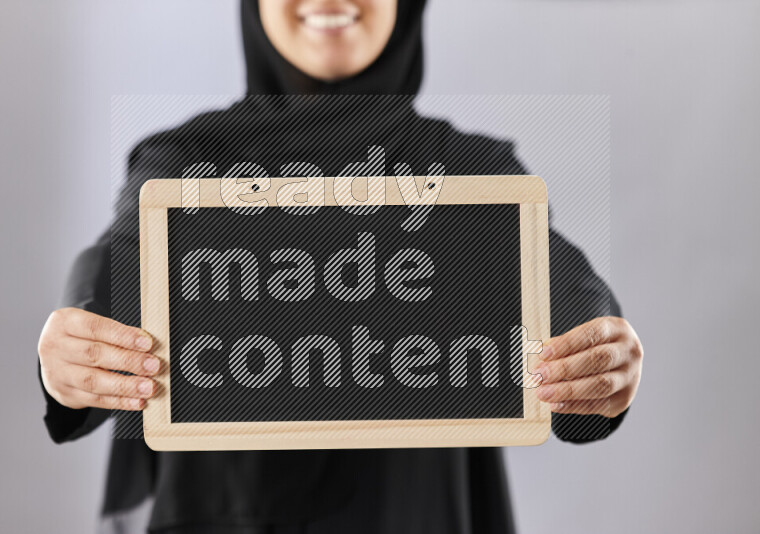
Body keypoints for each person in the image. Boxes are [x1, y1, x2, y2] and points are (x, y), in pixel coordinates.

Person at [37, 1, 644, 532]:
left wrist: (595, 347)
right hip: (220, 514)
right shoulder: (184, 161)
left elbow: (552, 275)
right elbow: (118, 266)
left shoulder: (469, 170)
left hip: (415, 514)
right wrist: (75, 345)